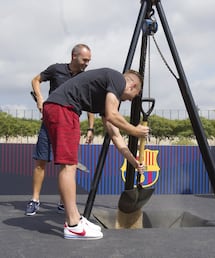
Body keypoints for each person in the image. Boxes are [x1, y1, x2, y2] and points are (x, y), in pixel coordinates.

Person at [42, 68, 149, 240]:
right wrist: (135, 131)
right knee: (68, 165)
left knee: (69, 164)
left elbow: (115, 134)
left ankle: (75, 218)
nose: (131, 100)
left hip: (62, 108)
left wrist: (133, 161)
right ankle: (73, 225)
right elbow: (114, 115)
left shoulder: (107, 94)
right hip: (63, 108)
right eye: (135, 95)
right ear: (132, 85)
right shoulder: (117, 79)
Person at [25, 44, 94, 216]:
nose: (87, 63)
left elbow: (89, 104)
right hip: (50, 122)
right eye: (84, 60)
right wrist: (40, 100)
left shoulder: (86, 79)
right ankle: (35, 200)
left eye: (89, 61)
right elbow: (36, 80)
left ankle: (64, 202)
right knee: (41, 162)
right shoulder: (56, 69)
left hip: (70, 125)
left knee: (68, 166)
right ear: (74, 56)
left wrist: (91, 128)